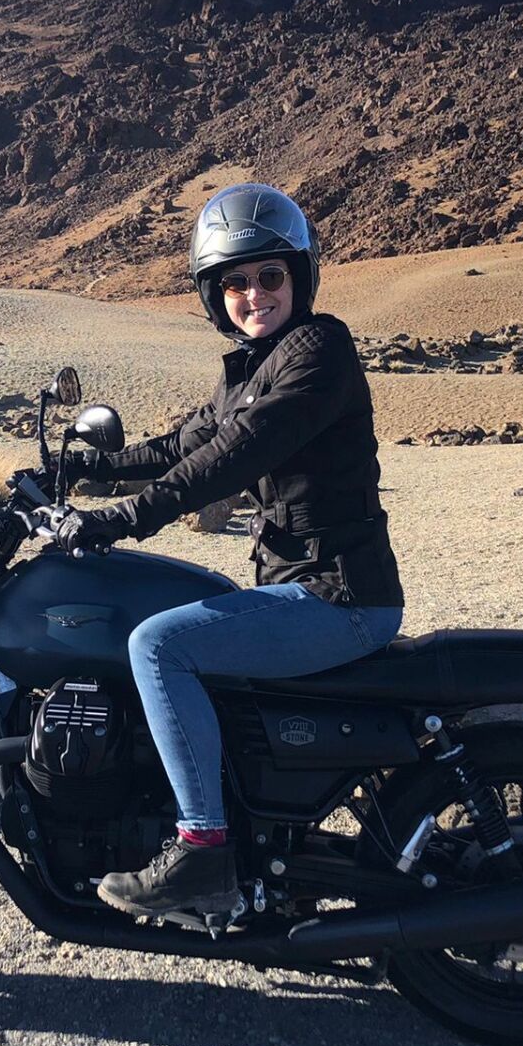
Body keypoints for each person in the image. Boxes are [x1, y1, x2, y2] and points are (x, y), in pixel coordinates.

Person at [54, 183, 405, 918]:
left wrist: (123, 518)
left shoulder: (319, 349)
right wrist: (85, 468)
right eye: (235, 283)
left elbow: (238, 452)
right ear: (216, 297)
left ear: (299, 277)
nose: (254, 294)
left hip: (340, 596)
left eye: (269, 275)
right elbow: (183, 444)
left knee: (158, 646)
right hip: (299, 587)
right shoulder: (249, 368)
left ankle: (203, 851)